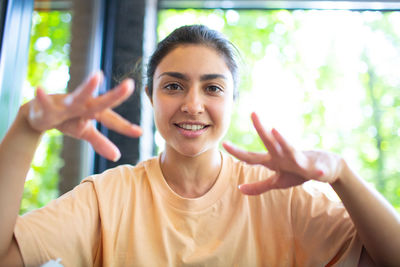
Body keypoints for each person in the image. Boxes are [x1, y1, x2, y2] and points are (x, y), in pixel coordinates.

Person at [0, 24, 399, 267]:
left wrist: (342, 173)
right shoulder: (107, 198)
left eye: (213, 88)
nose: (192, 104)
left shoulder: (283, 196)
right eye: (173, 86)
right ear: (151, 98)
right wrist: (25, 127)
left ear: (232, 101)